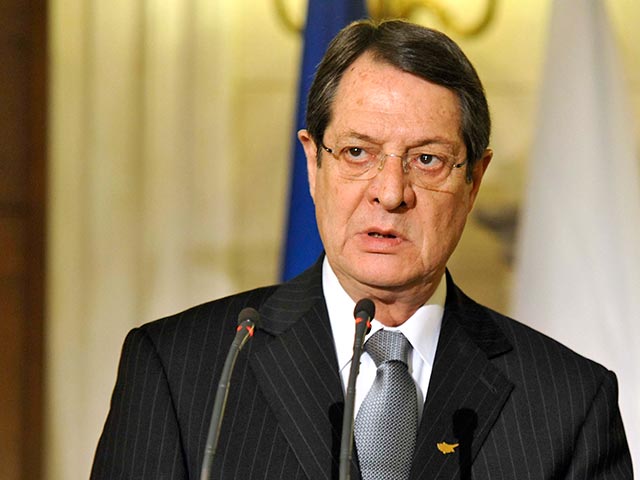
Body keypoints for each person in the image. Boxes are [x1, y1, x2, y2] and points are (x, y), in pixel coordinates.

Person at [91, 19, 633, 480]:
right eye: (357, 152)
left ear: (474, 180)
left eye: (427, 160)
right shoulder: (181, 370)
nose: (390, 192)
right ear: (313, 163)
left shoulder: (569, 402)